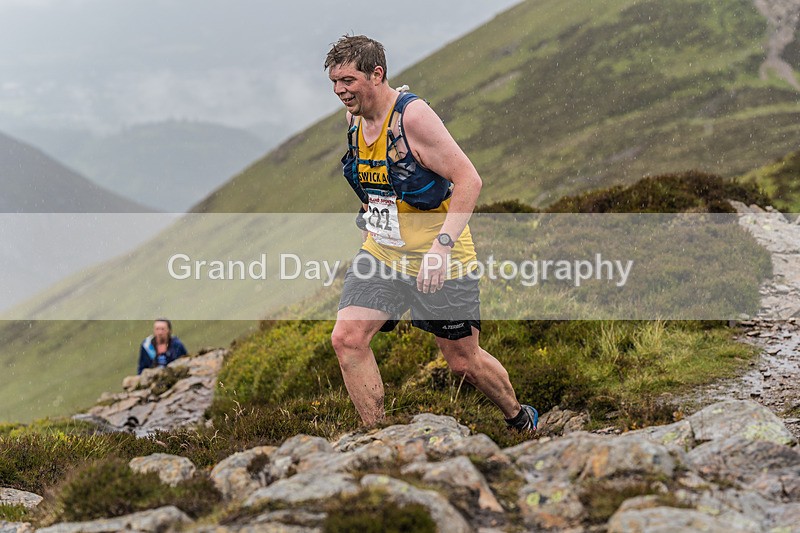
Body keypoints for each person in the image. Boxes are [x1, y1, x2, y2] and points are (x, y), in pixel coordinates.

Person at [325, 35, 538, 433]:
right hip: (384, 254)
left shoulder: (412, 117)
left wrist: (440, 249)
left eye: (348, 81)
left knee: (463, 363)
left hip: (440, 259)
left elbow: (469, 180)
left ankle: (519, 418)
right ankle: (380, 437)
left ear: (377, 74)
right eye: (334, 82)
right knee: (347, 339)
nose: (340, 91)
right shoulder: (353, 119)